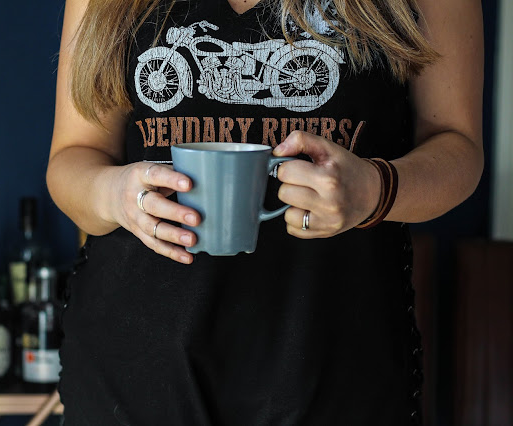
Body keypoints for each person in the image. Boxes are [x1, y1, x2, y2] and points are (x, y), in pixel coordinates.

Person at [47, 0, 483, 424]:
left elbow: (458, 146)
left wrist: (374, 188)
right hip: (132, 370)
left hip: (337, 365)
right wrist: (117, 195)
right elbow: (73, 157)